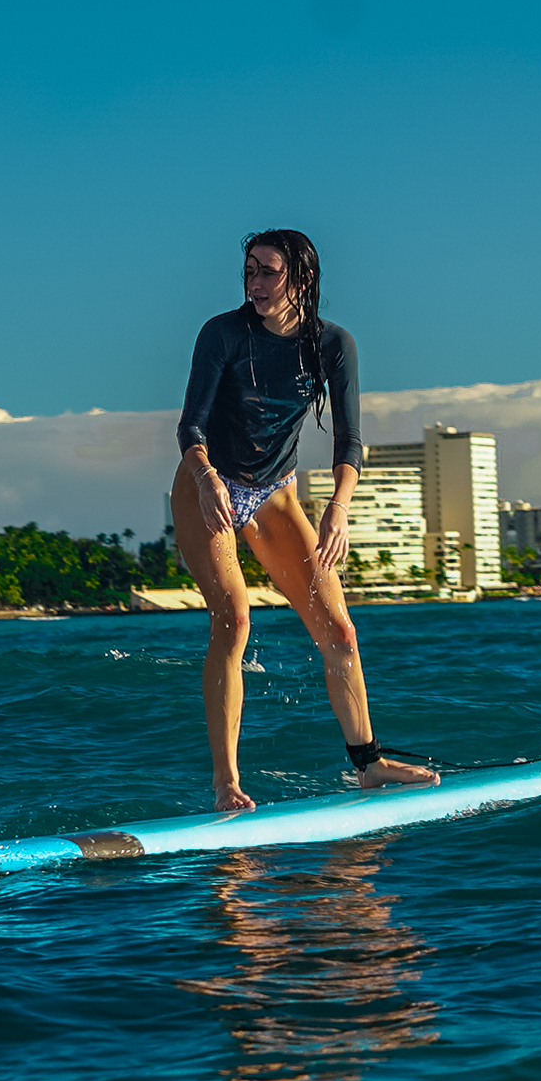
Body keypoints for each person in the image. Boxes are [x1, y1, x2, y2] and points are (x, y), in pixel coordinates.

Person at [175, 229, 438, 812]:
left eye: (268, 271)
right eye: (249, 271)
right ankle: (226, 785)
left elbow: (351, 444)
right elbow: (190, 428)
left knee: (341, 632)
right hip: (208, 487)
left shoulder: (333, 345)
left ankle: (369, 765)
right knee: (233, 618)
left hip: (274, 493)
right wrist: (204, 476)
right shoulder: (222, 334)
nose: (255, 283)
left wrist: (338, 510)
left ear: (301, 277)